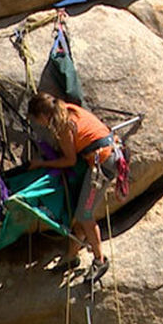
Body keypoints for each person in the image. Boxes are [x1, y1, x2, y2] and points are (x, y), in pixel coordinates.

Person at [27, 92, 124, 285]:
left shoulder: (64, 127)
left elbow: (69, 160)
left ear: (44, 115)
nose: (40, 124)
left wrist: (42, 164)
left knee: (84, 216)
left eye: (38, 120)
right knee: (79, 213)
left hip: (103, 163)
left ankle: (100, 260)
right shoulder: (69, 109)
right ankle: (71, 257)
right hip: (109, 155)